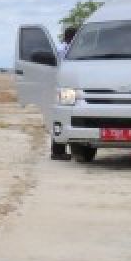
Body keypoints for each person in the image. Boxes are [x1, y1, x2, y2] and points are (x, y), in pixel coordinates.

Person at [51, 25, 78, 160]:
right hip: (64, 87)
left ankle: (60, 150)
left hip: (66, 86)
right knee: (63, 116)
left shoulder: (61, 48)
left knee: (64, 116)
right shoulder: (64, 50)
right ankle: (57, 151)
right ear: (72, 37)